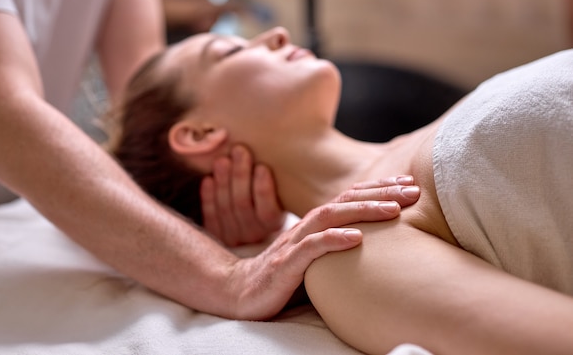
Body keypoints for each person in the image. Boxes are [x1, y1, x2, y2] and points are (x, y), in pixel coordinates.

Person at [0, 0, 418, 321]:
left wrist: (205, 199)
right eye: (229, 50)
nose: (280, 36)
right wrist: (228, 279)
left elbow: (148, 95)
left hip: (22, 199)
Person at [106, 26, 573, 355]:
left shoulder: (427, 131)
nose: (279, 34)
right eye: (232, 49)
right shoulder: (348, 248)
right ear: (199, 133)